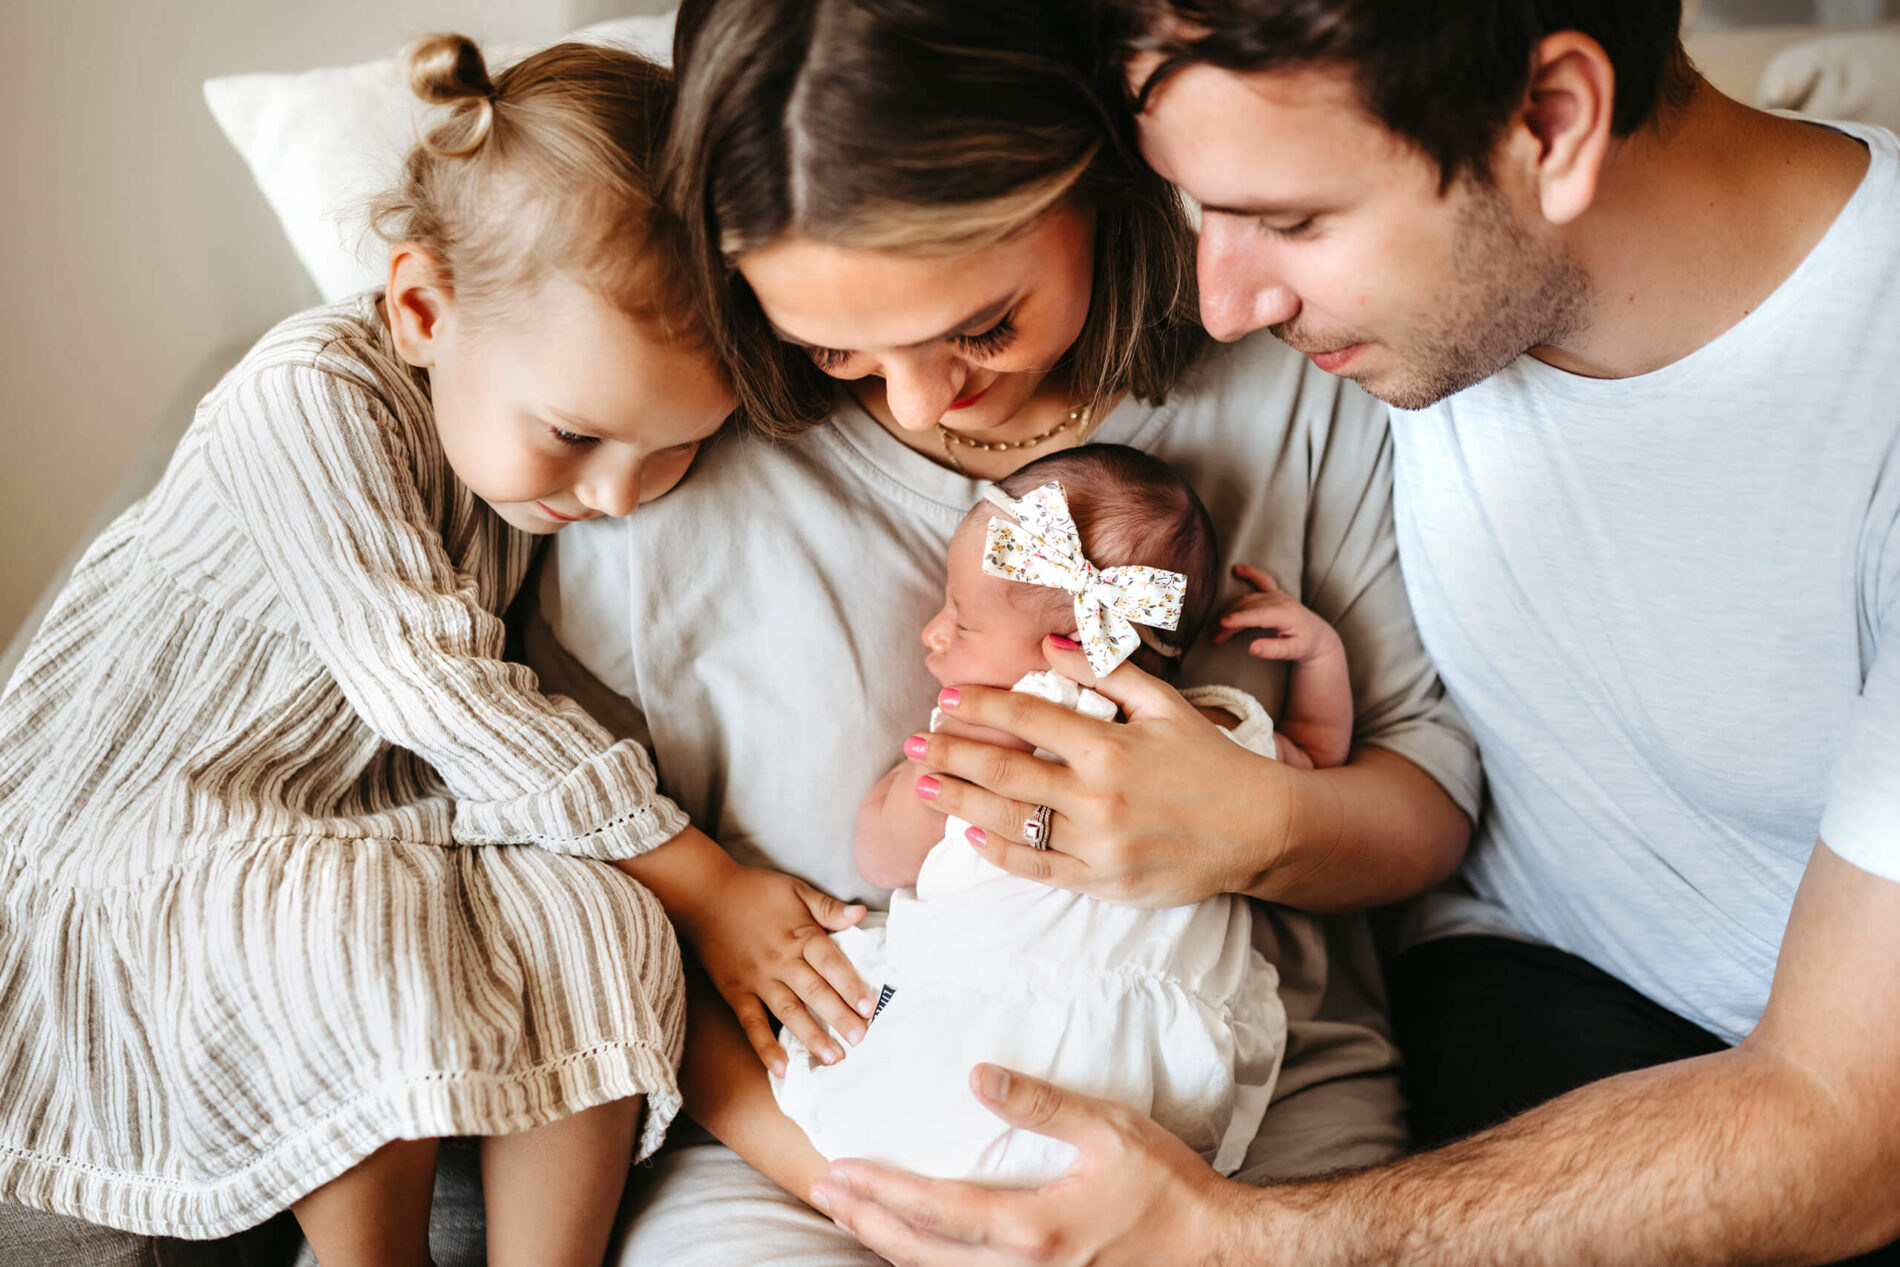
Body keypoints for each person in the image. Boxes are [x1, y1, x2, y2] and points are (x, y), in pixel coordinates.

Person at [809, 2, 1900, 1265]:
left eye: (1288, 222)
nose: (1220, 305)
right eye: (1196, 207)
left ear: (1549, 124)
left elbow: (1844, 1126)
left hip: (1800, 1100)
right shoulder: (1408, 288)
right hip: (1497, 983)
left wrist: (1230, 1237)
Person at [526, 1, 1481, 1261]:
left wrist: (1260, 825)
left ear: (1101, 170)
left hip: (1247, 1141)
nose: (921, 395)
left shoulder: (1297, 368)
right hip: (805, 1147)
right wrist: (854, 1180)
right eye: (835, 349)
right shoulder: (649, 474)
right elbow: (573, 901)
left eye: (980, 325)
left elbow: (1426, 807)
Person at [0, 34, 844, 1267]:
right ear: (419, 307)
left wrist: (661, 892)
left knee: (598, 913)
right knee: (348, 913)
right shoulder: (304, 399)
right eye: (575, 433)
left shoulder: (529, 477)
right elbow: (436, 686)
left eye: (674, 451)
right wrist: (713, 889)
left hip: (364, 809)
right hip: (151, 818)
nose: (618, 495)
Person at [764, 443, 1353, 1187]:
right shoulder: (1216, 739)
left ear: (1070, 649)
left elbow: (881, 858)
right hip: (1151, 1091)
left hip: (966, 1054)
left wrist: (934, 756)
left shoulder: (986, 734)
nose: (932, 632)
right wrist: (1323, 658)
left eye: (963, 622)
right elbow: (1317, 762)